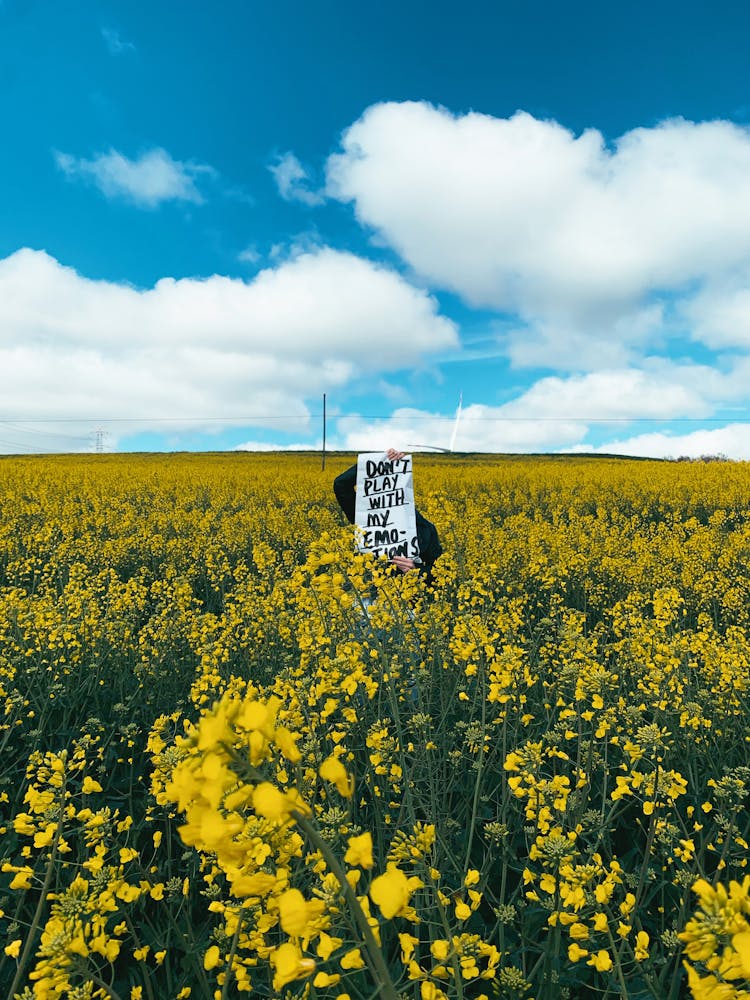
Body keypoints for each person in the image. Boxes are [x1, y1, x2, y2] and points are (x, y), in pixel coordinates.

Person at [333, 448, 443, 585]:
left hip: (407, 599)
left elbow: (439, 572)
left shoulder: (425, 528)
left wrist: (416, 570)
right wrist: (379, 462)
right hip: (369, 593)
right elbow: (341, 484)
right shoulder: (368, 517)